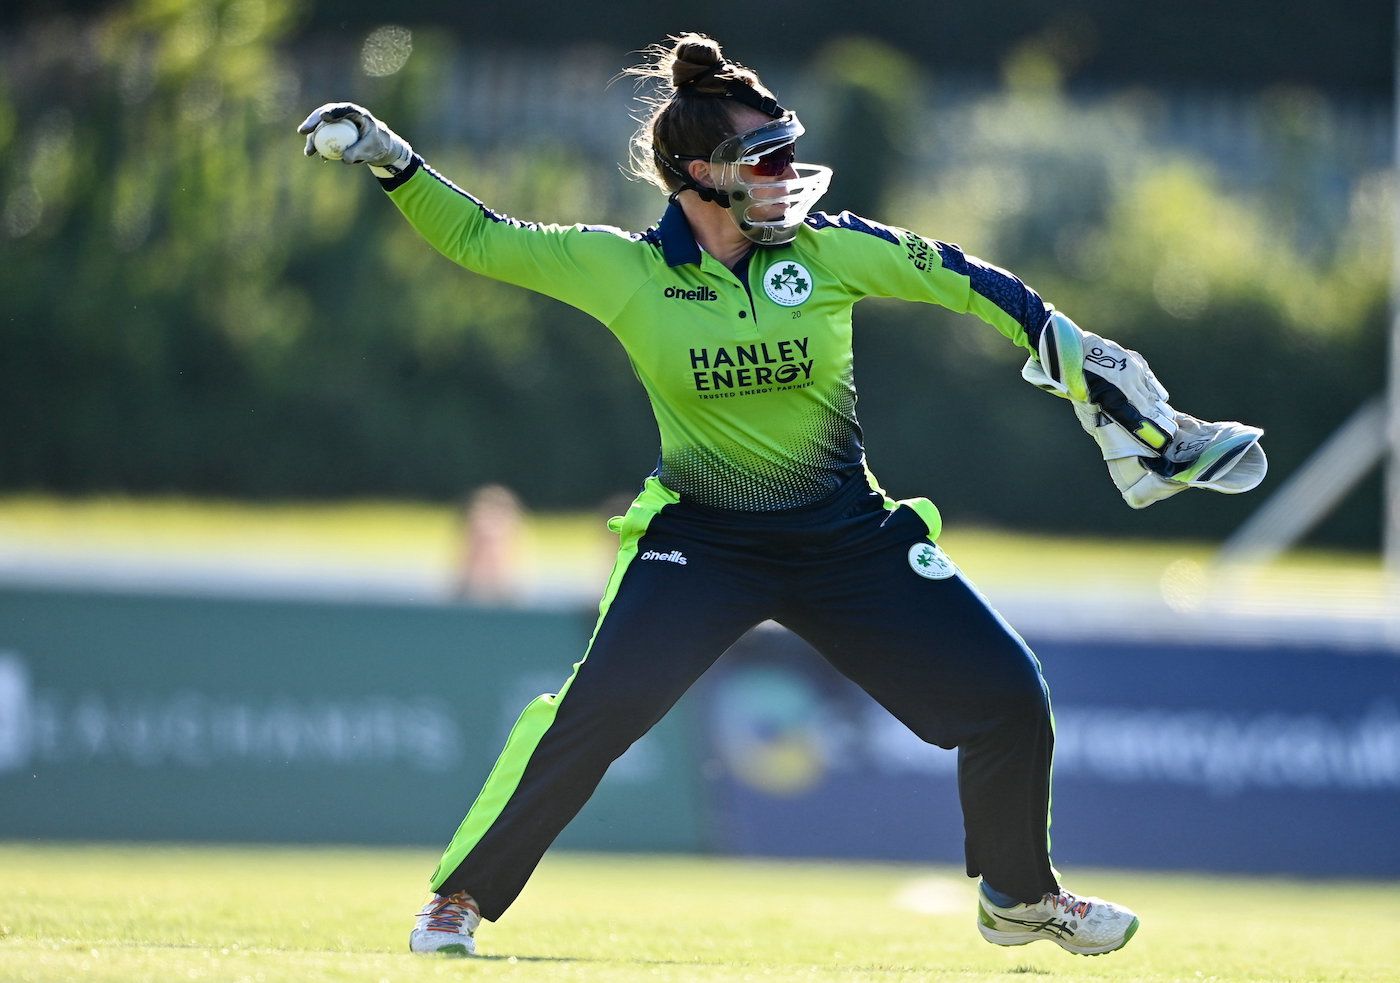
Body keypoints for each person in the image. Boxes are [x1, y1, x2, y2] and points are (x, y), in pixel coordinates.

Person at [299, 32, 1265, 959]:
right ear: (698, 177)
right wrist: (390, 157)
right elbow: (481, 238)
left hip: (846, 535)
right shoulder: (625, 272)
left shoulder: (830, 252)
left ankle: (1018, 898)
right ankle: (458, 896)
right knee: (596, 713)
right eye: (764, 159)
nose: (786, 174)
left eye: (787, 153)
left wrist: (1106, 384)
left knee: (1012, 698)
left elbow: (979, 287)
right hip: (704, 545)